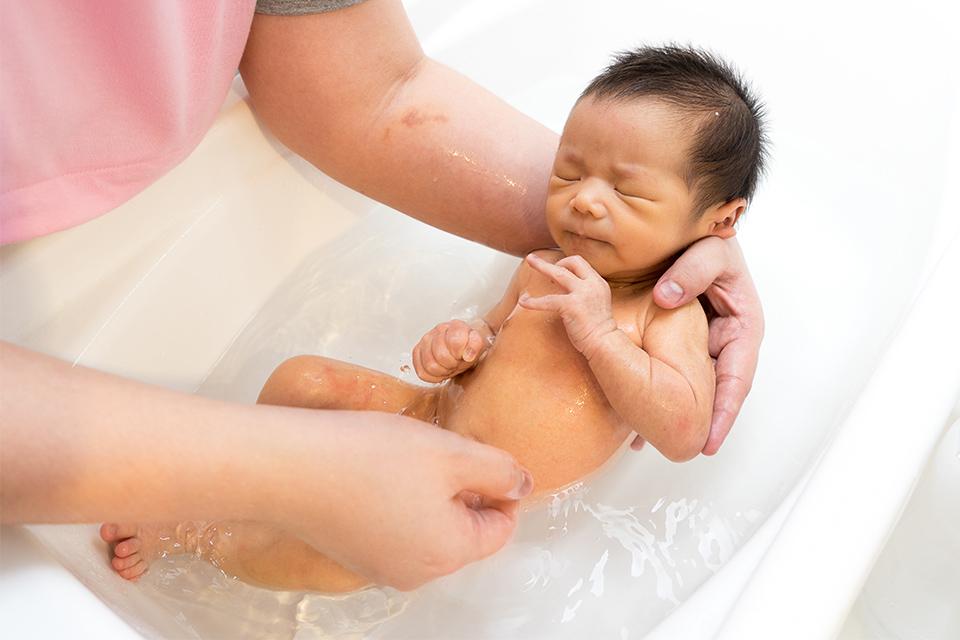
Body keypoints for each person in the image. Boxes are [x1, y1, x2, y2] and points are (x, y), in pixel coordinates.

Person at [0, 1, 764, 592]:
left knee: (336, 566)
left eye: (625, 191)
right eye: (568, 170)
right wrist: (456, 353)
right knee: (307, 378)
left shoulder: (666, 315)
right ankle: (251, 489)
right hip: (434, 418)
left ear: (720, 221)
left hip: (488, 489)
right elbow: (489, 347)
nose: (585, 202)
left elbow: (678, 426)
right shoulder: (542, 267)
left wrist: (602, 337)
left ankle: (209, 535)